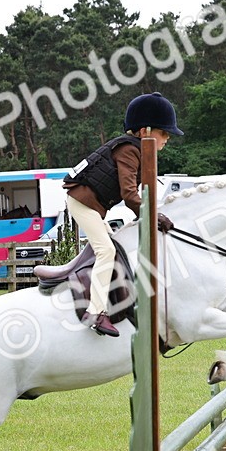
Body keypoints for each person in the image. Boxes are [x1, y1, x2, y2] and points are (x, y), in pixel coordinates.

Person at [63, 92, 181, 337]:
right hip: (83, 203)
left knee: (114, 247)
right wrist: (153, 216)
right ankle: (95, 312)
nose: (167, 138)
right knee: (106, 251)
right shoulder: (129, 150)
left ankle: (117, 299)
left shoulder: (138, 150)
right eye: (164, 132)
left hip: (91, 205)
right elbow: (129, 195)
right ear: (145, 131)